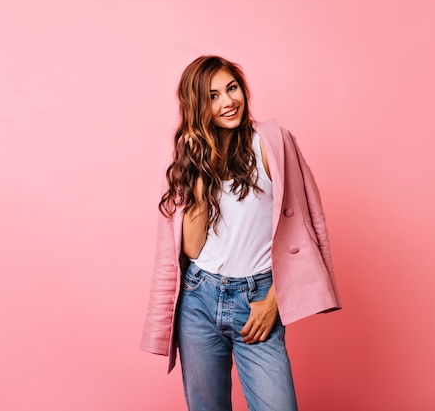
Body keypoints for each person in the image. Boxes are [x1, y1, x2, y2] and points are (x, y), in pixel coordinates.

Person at [141, 55, 341, 411]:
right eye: (213, 95)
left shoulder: (274, 143)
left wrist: (274, 301)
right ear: (198, 106)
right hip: (199, 298)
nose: (228, 101)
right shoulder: (188, 158)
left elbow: (305, 227)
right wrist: (199, 172)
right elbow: (191, 246)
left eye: (231, 88)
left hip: (258, 296)